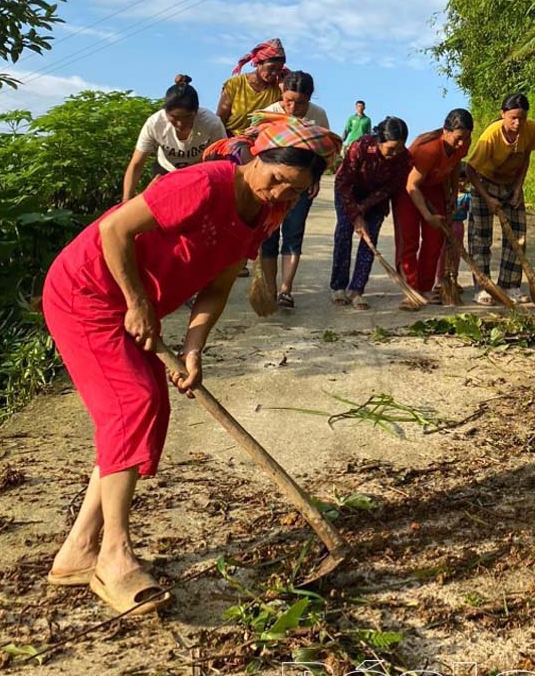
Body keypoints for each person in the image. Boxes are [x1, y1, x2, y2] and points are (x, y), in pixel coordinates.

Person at [41, 115, 337, 615]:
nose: (279, 194)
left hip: (134, 307)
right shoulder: (202, 184)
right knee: (131, 404)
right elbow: (114, 229)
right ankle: (113, 556)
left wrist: (194, 348)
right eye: (277, 178)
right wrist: (136, 302)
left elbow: (218, 288)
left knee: (147, 410)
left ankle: (77, 551)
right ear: (258, 157)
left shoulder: (267, 216)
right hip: (86, 292)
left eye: (294, 191)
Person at [259, 72, 337, 308]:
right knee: (268, 236)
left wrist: (314, 178)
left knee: (293, 234)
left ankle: (286, 290)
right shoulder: (270, 114)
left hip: (301, 185)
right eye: (288, 101)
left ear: (310, 98)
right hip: (272, 185)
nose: (292, 107)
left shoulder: (318, 115)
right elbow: (259, 150)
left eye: (300, 102)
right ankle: (269, 289)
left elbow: (326, 152)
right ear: (282, 94)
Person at [465, 93, 535, 305]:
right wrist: (487, 197)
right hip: (483, 182)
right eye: (513, 118)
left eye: (522, 118)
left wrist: (518, 189)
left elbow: (525, 157)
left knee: (517, 236)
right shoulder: (491, 136)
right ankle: (483, 287)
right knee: (481, 237)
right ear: (502, 114)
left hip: (511, 184)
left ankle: (510, 285)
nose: (517, 123)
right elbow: (470, 170)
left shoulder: (532, 129)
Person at [331, 116, 411, 309]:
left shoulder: (404, 159)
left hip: (376, 201)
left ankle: (357, 290)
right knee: (344, 233)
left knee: (369, 240)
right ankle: (338, 287)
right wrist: (355, 215)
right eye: (391, 149)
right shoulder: (362, 147)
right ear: (379, 140)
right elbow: (343, 181)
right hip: (349, 193)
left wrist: (363, 209)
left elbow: (389, 188)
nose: (395, 153)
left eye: (399, 148)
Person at [394, 109, 473, 298]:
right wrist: (427, 215)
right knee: (409, 240)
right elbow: (412, 185)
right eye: (458, 138)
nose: (461, 143)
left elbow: (454, 166)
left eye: (466, 138)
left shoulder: (463, 143)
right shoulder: (428, 149)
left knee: (435, 239)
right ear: (446, 131)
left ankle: (425, 288)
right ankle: (411, 289)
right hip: (408, 189)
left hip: (434, 188)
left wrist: (453, 196)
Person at [121, 76, 226, 201]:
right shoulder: (155, 124)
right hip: (165, 171)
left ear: (196, 111)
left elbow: (222, 161)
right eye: (174, 118)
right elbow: (136, 164)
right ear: (165, 111)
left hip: (198, 172)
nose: (180, 124)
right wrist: (125, 202)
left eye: (187, 117)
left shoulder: (211, 123)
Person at [216, 38, 287, 134]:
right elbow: (220, 121)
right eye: (271, 68)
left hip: (264, 139)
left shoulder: (278, 88)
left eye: (279, 69)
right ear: (259, 64)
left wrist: (285, 87)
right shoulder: (235, 84)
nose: (275, 73)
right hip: (232, 139)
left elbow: (290, 113)